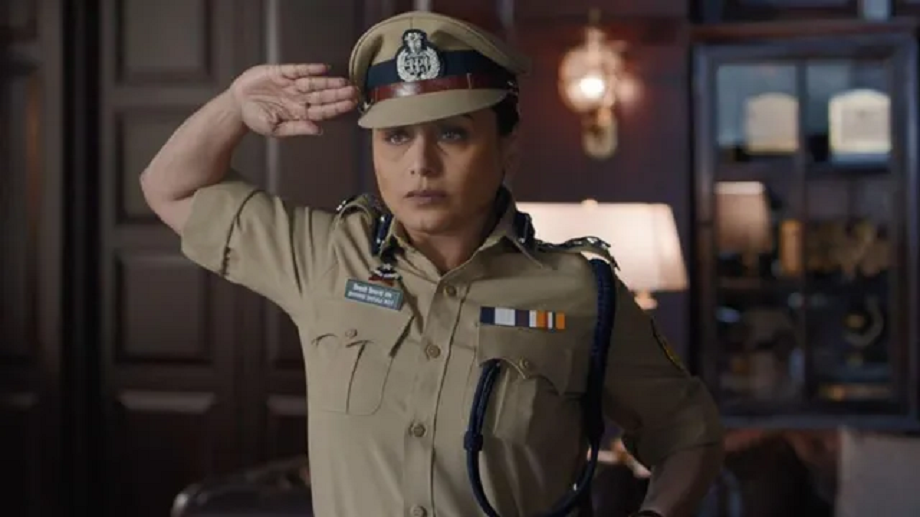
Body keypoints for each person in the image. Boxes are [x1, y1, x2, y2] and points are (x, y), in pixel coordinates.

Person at [140, 10, 724, 517]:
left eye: (452, 134)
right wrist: (233, 107)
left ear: (507, 147)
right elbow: (171, 188)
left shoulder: (580, 294)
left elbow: (688, 434)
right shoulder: (324, 257)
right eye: (395, 136)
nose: (420, 163)